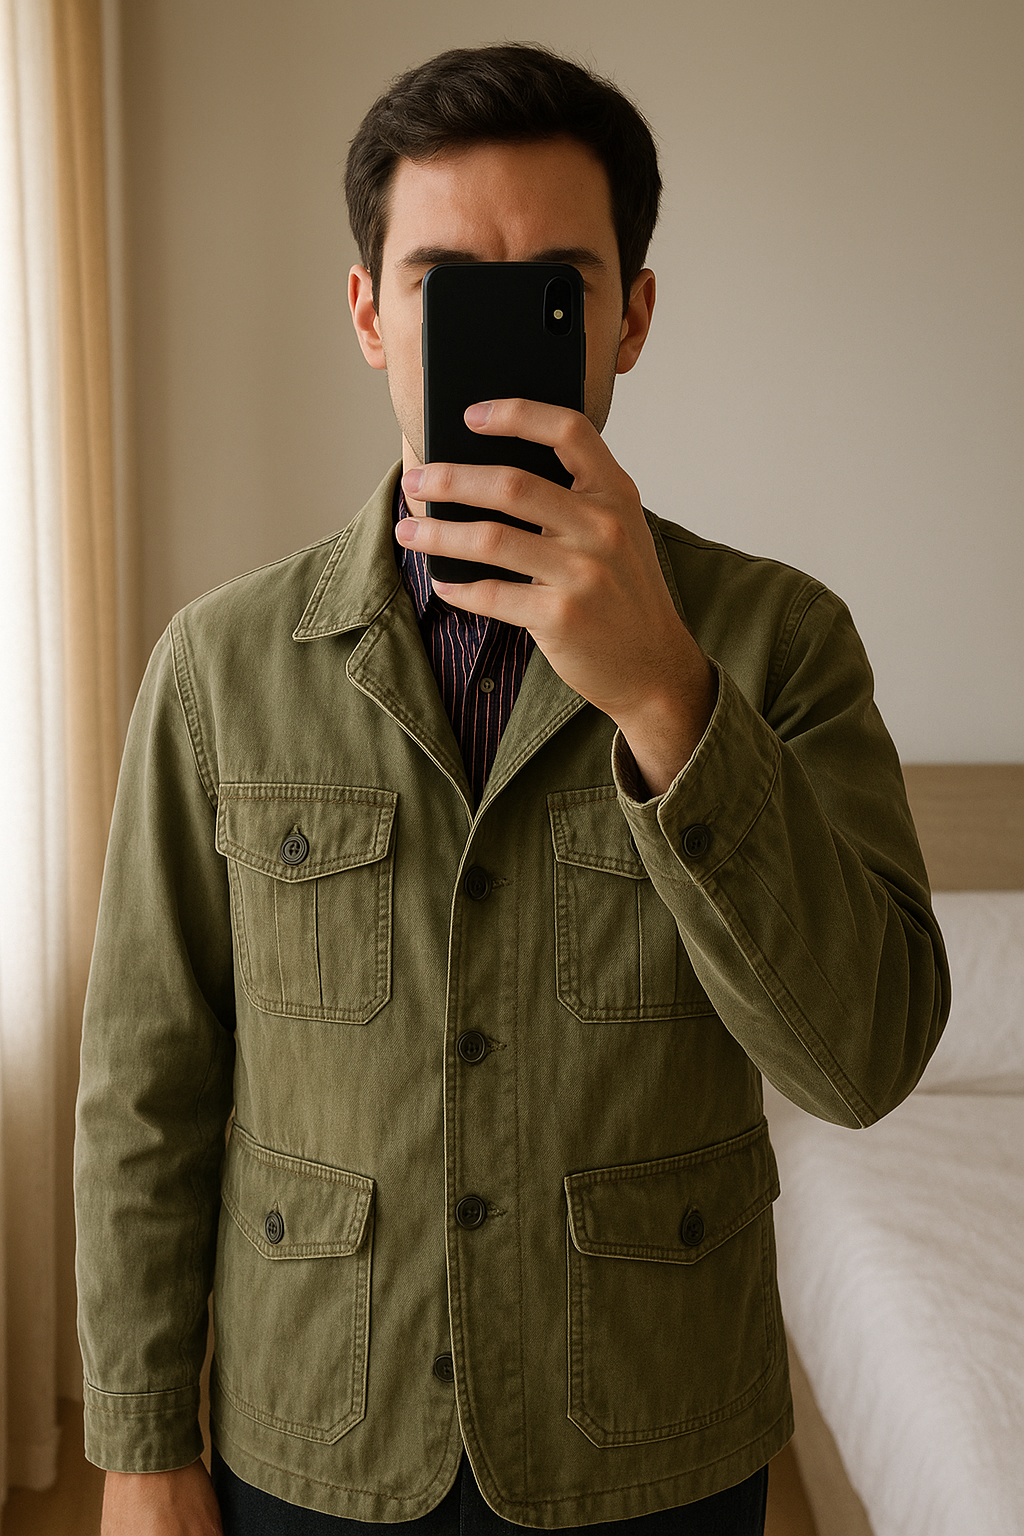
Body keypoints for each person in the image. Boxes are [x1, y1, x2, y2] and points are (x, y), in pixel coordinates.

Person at [76, 43, 949, 1536]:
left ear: (631, 317)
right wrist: (142, 1450)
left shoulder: (780, 643)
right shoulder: (220, 668)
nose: (490, 329)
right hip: (318, 1427)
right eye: (440, 283)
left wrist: (668, 698)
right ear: (369, 313)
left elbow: (860, 1061)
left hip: (651, 1439)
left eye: (553, 288)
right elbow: (147, 1086)